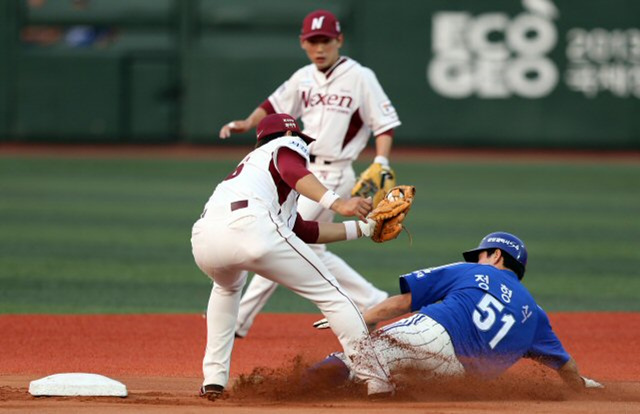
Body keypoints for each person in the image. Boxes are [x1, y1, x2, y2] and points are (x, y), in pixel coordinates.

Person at [218, 9, 401, 338]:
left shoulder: (360, 76)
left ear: (339, 40)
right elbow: (273, 105)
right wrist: (247, 122)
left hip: (334, 173)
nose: (319, 48)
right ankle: (373, 299)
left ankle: (240, 321)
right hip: (300, 168)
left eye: (325, 41)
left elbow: (384, 123)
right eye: (312, 41)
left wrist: (382, 161)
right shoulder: (303, 76)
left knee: (279, 235)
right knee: (309, 246)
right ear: (303, 44)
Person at [191, 113, 393, 400]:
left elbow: (303, 229)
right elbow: (292, 170)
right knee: (333, 296)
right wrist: (340, 203)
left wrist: (363, 228)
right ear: (288, 136)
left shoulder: (250, 172)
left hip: (205, 240)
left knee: (226, 288)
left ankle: (213, 380)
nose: (304, 147)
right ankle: (378, 381)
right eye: (301, 140)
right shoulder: (283, 147)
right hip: (252, 226)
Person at [307, 232, 603, 391]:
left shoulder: (472, 272)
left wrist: (358, 318)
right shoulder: (535, 314)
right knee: (391, 376)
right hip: (458, 380)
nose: (478, 259)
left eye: (482, 254)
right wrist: (581, 385)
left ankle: (296, 385)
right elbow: (565, 366)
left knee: (357, 357)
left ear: (497, 255)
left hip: (432, 335)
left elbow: (402, 303)